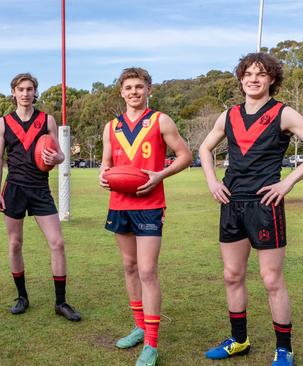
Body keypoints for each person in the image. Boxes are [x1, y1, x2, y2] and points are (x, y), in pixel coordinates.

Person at [199, 52, 303, 366]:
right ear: (241, 79)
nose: (253, 79)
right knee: (232, 275)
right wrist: (211, 181)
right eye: (248, 74)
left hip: (265, 204)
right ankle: (238, 339)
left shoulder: (282, 113)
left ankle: (284, 349)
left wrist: (288, 183)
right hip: (232, 202)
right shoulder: (229, 115)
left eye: (261, 74)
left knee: (271, 279)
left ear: (271, 79)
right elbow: (205, 148)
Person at [98, 67, 192, 366]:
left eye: (139, 87)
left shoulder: (161, 120)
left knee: (148, 270)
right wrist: (103, 175)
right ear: (121, 92)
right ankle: (139, 326)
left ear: (148, 89)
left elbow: (185, 155)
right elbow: (106, 163)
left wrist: (160, 174)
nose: (134, 92)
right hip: (119, 204)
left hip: (149, 204)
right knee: (129, 266)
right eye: (128, 88)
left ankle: (151, 343)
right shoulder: (110, 126)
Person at [0, 73, 81, 321]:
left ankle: (61, 302)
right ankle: (22, 297)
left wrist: (57, 159)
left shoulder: (47, 120)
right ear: (13, 92)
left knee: (57, 243)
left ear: (35, 92)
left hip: (40, 188)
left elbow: (61, 155)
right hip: (14, 189)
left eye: (30, 89)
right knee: (15, 243)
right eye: (21, 89)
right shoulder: (4, 123)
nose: (25, 93)